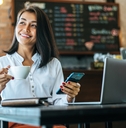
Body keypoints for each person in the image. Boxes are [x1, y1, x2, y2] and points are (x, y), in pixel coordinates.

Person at [0, 5, 81, 128]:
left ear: (42, 31)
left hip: (48, 121)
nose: (26, 29)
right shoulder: (2, 63)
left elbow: (58, 103)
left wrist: (69, 97)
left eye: (33, 25)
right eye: (22, 23)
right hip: (14, 122)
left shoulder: (53, 64)